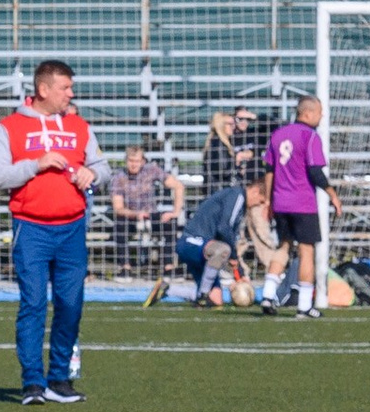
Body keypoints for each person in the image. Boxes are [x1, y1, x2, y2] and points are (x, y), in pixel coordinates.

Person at [0, 58, 107, 403]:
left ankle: (60, 379)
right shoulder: (9, 128)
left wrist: (92, 175)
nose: (71, 93)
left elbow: (103, 168)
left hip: (72, 229)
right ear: (43, 89)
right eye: (65, 87)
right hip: (31, 229)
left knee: (71, 305)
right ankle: (33, 383)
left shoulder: (80, 126)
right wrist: (35, 165)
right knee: (34, 304)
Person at [260, 97, 329, 319]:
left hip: (280, 202)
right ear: (308, 114)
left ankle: (268, 295)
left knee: (283, 247)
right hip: (303, 203)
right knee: (307, 251)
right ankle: (304, 306)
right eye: (319, 112)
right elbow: (315, 172)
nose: (322, 116)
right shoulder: (310, 136)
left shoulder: (278, 135)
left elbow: (269, 170)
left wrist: (269, 201)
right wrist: (333, 195)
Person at [153, 173, 265, 307]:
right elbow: (224, 229)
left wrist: (239, 274)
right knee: (223, 250)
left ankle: (167, 289)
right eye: (261, 200)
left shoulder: (239, 203)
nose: (259, 205)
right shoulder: (238, 196)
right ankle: (203, 295)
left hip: (205, 250)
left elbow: (227, 235)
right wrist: (234, 258)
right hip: (192, 241)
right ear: (255, 191)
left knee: (216, 301)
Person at [108, 145, 179, 278]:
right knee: (120, 226)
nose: (134, 164)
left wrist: (175, 212)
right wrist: (136, 214)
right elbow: (118, 208)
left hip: (151, 214)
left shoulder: (151, 170)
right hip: (130, 215)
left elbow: (178, 186)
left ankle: (169, 267)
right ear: (126, 161)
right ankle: (126, 268)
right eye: (131, 161)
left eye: (137, 161)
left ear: (143, 161)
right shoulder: (119, 178)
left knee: (170, 223)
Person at [200, 108, 244, 198]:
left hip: (217, 191)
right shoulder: (219, 144)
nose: (234, 126)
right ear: (221, 125)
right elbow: (222, 170)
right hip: (219, 192)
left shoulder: (217, 142)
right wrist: (237, 166)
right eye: (230, 124)